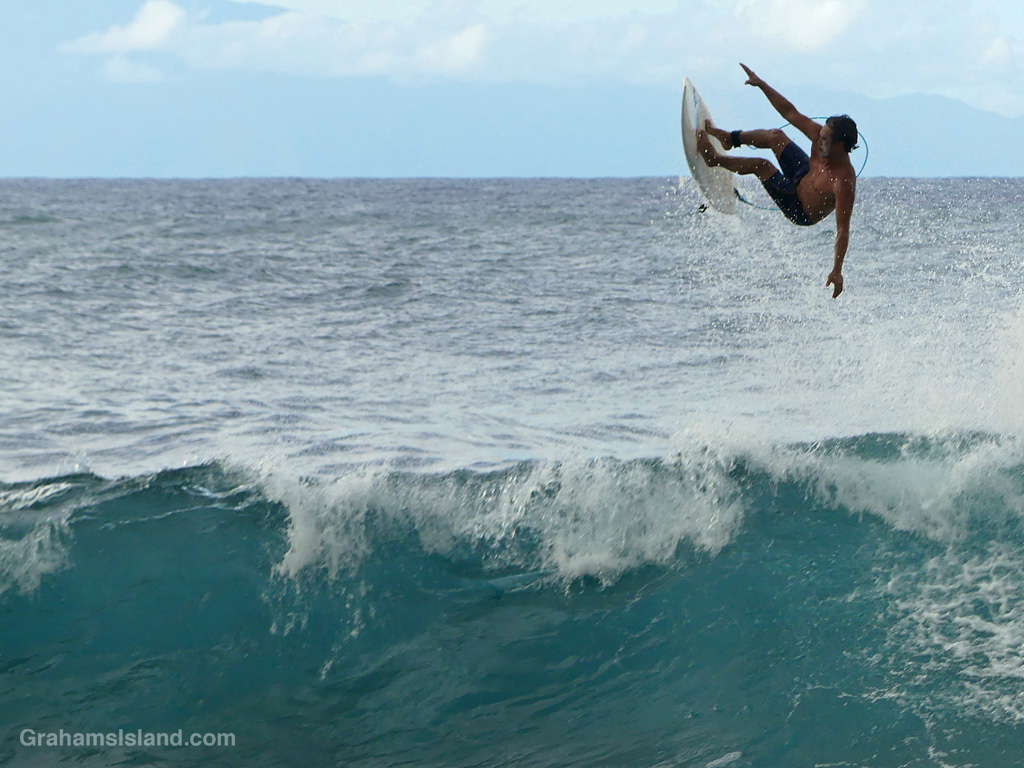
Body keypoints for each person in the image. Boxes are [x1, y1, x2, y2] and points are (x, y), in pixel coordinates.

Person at [696, 63, 857, 298]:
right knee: (776, 136)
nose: (817, 140)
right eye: (819, 135)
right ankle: (730, 139)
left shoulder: (843, 181)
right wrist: (761, 84)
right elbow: (789, 112)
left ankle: (713, 158)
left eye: (824, 139)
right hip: (805, 174)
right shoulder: (820, 139)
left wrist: (837, 270)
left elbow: (843, 230)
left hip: (799, 207)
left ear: (840, 145)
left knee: (761, 165)